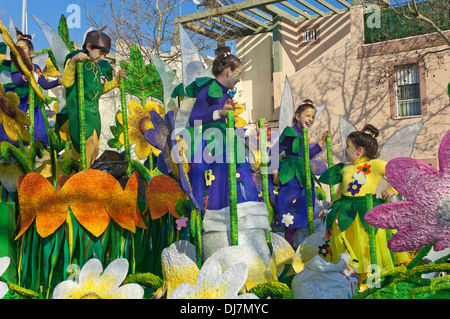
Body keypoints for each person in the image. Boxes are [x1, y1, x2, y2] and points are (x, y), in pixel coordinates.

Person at [319, 124, 408, 290]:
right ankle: (350, 278)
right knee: (349, 247)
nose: (345, 150)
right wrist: (329, 209)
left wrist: (392, 189)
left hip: (366, 214)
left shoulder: (375, 165)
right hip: (345, 214)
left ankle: (369, 281)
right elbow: (340, 193)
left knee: (367, 247)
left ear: (359, 151)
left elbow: (400, 173)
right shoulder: (345, 169)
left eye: (348, 147)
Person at [187, 46, 259, 212]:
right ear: (228, 70)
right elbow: (193, 120)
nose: (239, 79)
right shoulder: (206, 90)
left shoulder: (227, 95)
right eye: (238, 74)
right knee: (214, 185)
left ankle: (238, 222)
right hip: (209, 146)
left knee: (236, 181)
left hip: (228, 145)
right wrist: (219, 112)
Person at [60, 29, 126, 168]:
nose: (102, 57)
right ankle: (84, 178)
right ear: (89, 46)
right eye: (100, 53)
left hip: (94, 113)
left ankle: (86, 176)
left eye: (105, 55)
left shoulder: (101, 66)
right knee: (88, 145)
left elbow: (101, 88)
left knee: (95, 148)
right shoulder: (76, 59)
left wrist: (116, 81)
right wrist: (73, 62)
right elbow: (66, 82)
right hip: (80, 111)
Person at [273, 100, 330, 244]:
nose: (310, 119)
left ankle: (299, 247)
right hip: (291, 174)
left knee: (303, 210)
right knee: (290, 210)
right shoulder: (290, 132)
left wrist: (322, 141)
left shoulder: (303, 135)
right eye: (307, 115)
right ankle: (288, 247)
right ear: (297, 116)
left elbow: (306, 156)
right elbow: (273, 151)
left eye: (312, 116)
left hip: (303, 176)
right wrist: (275, 175)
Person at [3, 34, 61, 145]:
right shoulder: (14, 65)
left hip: (33, 104)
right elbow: (17, 82)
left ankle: (40, 149)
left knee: (38, 130)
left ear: (31, 51)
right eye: (17, 49)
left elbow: (44, 85)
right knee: (18, 130)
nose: (20, 51)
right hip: (20, 102)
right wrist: (25, 76)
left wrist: (59, 81)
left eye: (23, 48)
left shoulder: (36, 67)